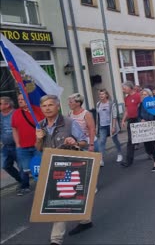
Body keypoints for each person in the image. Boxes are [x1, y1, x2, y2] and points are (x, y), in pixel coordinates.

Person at [34, 95, 91, 245]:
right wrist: (39, 139)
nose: (47, 108)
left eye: (50, 105)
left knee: (61, 200)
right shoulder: (40, 125)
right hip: (52, 167)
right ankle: (86, 220)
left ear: (57, 106)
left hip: (69, 167)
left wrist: (75, 141)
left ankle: (56, 239)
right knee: (68, 197)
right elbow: (39, 149)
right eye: (44, 106)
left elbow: (85, 142)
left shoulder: (69, 122)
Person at [11, 93, 44, 195]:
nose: (20, 101)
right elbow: (14, 129)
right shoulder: (16, 113)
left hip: (38, 146)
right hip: (23, 147)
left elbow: (45, 125)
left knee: (39, 167)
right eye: (19, 99)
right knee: (25, 168)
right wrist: (17, 143)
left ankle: (43, 188)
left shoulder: (37, 110)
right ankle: (25, 186)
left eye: (22, 99)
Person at [0, 97, 23, 194]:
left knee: (21, 166)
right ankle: (21, 180)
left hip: (18, 144)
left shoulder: (16, 113)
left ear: (7, 105)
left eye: (0, 103)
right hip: (6, 146)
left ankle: (24, 185)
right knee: (5, 165)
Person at [67, 93, 98, 161]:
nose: (68, 104)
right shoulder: (70, 113)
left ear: (78, 103)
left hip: (88, 142)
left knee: (91, 166)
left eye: (71, 102)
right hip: (77, 143)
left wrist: (91, 145)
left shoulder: (86, 114)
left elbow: (92, 129)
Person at [95, 89, 122, 164]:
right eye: (100, 94)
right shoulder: (98, 104)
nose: (101, 96)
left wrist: (113, 127)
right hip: (102, 126)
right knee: (102, 141)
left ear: (106, 95)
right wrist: (97, 126)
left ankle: (119, 153)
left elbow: (114, 116)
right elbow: (98, 116)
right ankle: (101, 159)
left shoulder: (111, 104)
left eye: (103, 94)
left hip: (110, 125)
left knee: (115, 140)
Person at [138, 89, 155, 172]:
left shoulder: (153, 104)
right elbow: (138, 115)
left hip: (152, 127)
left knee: (153, 145)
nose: (144, 96)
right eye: (142, 94)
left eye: (145, 94)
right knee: (147, 148)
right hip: (144, 128)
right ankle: (151, 154)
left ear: (149, 95)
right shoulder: (140, 105)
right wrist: (141, 119)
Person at [120, 81, 142, 167]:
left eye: (124, 88)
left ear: (130, 87)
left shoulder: (138, 95)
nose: (123, 90)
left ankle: (151, 153)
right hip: (131, 120)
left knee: (144, 138)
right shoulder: (126, 98)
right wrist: (123, 120)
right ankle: (128, 161)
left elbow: (141, 106)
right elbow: (127, 110)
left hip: (139, 119)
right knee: (130, 141)